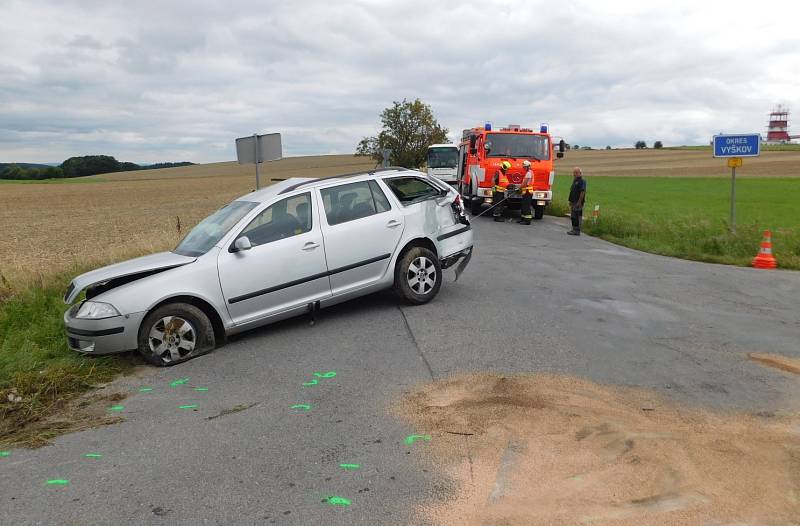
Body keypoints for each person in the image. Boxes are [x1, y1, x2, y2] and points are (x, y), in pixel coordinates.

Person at [567, 167, 586, 235]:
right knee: (573, 216)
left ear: (580, 173)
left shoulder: (582, 181)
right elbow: (572, 191)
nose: (574, 174)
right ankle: (574, 229)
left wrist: (579, 202)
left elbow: (582, 192)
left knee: (577, 216)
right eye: (574, 173)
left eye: (576, 173)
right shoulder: (575, 181)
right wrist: (570, 200)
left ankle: (577, 230)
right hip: (573, 201)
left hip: (578, 202)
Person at [518, 159, 534, 225]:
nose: (524, 168)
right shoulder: (530, 172)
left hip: (528, 192)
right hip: (526, 192)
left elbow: (524, 183)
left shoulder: (528, 173)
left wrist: (519, 188)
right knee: (523, 205)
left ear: (528, 166)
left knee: (526, 206)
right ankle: (523, 219)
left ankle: (527, 221)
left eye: (524, 167)